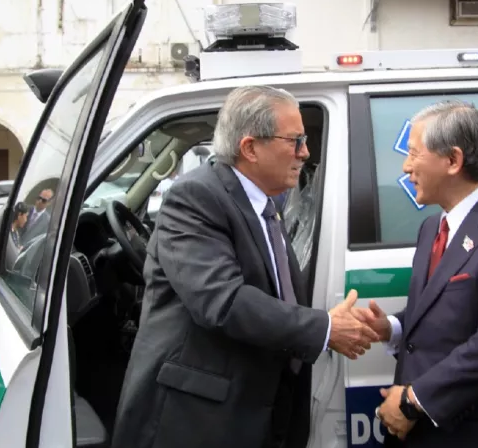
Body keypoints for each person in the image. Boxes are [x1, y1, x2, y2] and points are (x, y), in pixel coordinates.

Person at [112, 86, 378, 448]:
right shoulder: (195, 197)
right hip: (199, 418)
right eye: (296, 140)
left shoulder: (263, 203)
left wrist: (323, 325)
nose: (306, 152)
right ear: (250, 148)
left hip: (255, 408)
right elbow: (223, 301)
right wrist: (324, 328)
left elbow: (271, 292)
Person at [360, 100, 478, 448]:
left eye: (413, 154)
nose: (406, 167)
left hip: (477, 431)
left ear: (453, 160)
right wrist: (391, 327)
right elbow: (445, 308)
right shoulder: (431, 227)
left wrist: (411, 401)